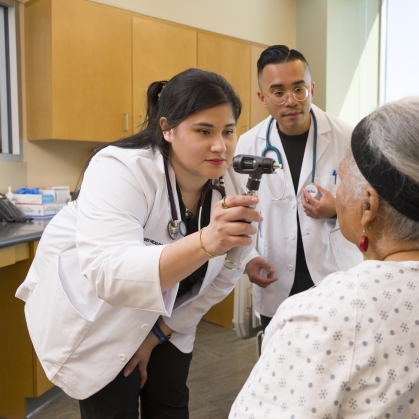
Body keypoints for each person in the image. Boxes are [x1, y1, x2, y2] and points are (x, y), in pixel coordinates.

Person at [15, 68, 262, 419]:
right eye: (203, 131)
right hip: (103, 314)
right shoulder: (120, 168)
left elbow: (228, 271)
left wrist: (158, 333)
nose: (220, 146)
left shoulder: (234, 182)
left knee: (171, 405)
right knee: (114, 409)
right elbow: (109, 272)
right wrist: (205, 242)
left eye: (228, 131)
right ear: (167, 128)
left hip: (170, 320)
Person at [230, 97, 419, 418]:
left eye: (342, 181)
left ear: (368, 206)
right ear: (261, 97)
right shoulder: (250, 142)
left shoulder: (319, 318)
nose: (338, 191)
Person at [235, 45, 363, 331]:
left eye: (298, 89)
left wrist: (336, 209)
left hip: (334, 275)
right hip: (276, 274)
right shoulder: (248, 144)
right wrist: (249, 257)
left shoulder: (348, 136)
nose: (290, 100)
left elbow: (370, 205)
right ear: (263, 98)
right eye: (278, 92)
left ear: (312, 89)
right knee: (277, 366)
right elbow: (240, 213)